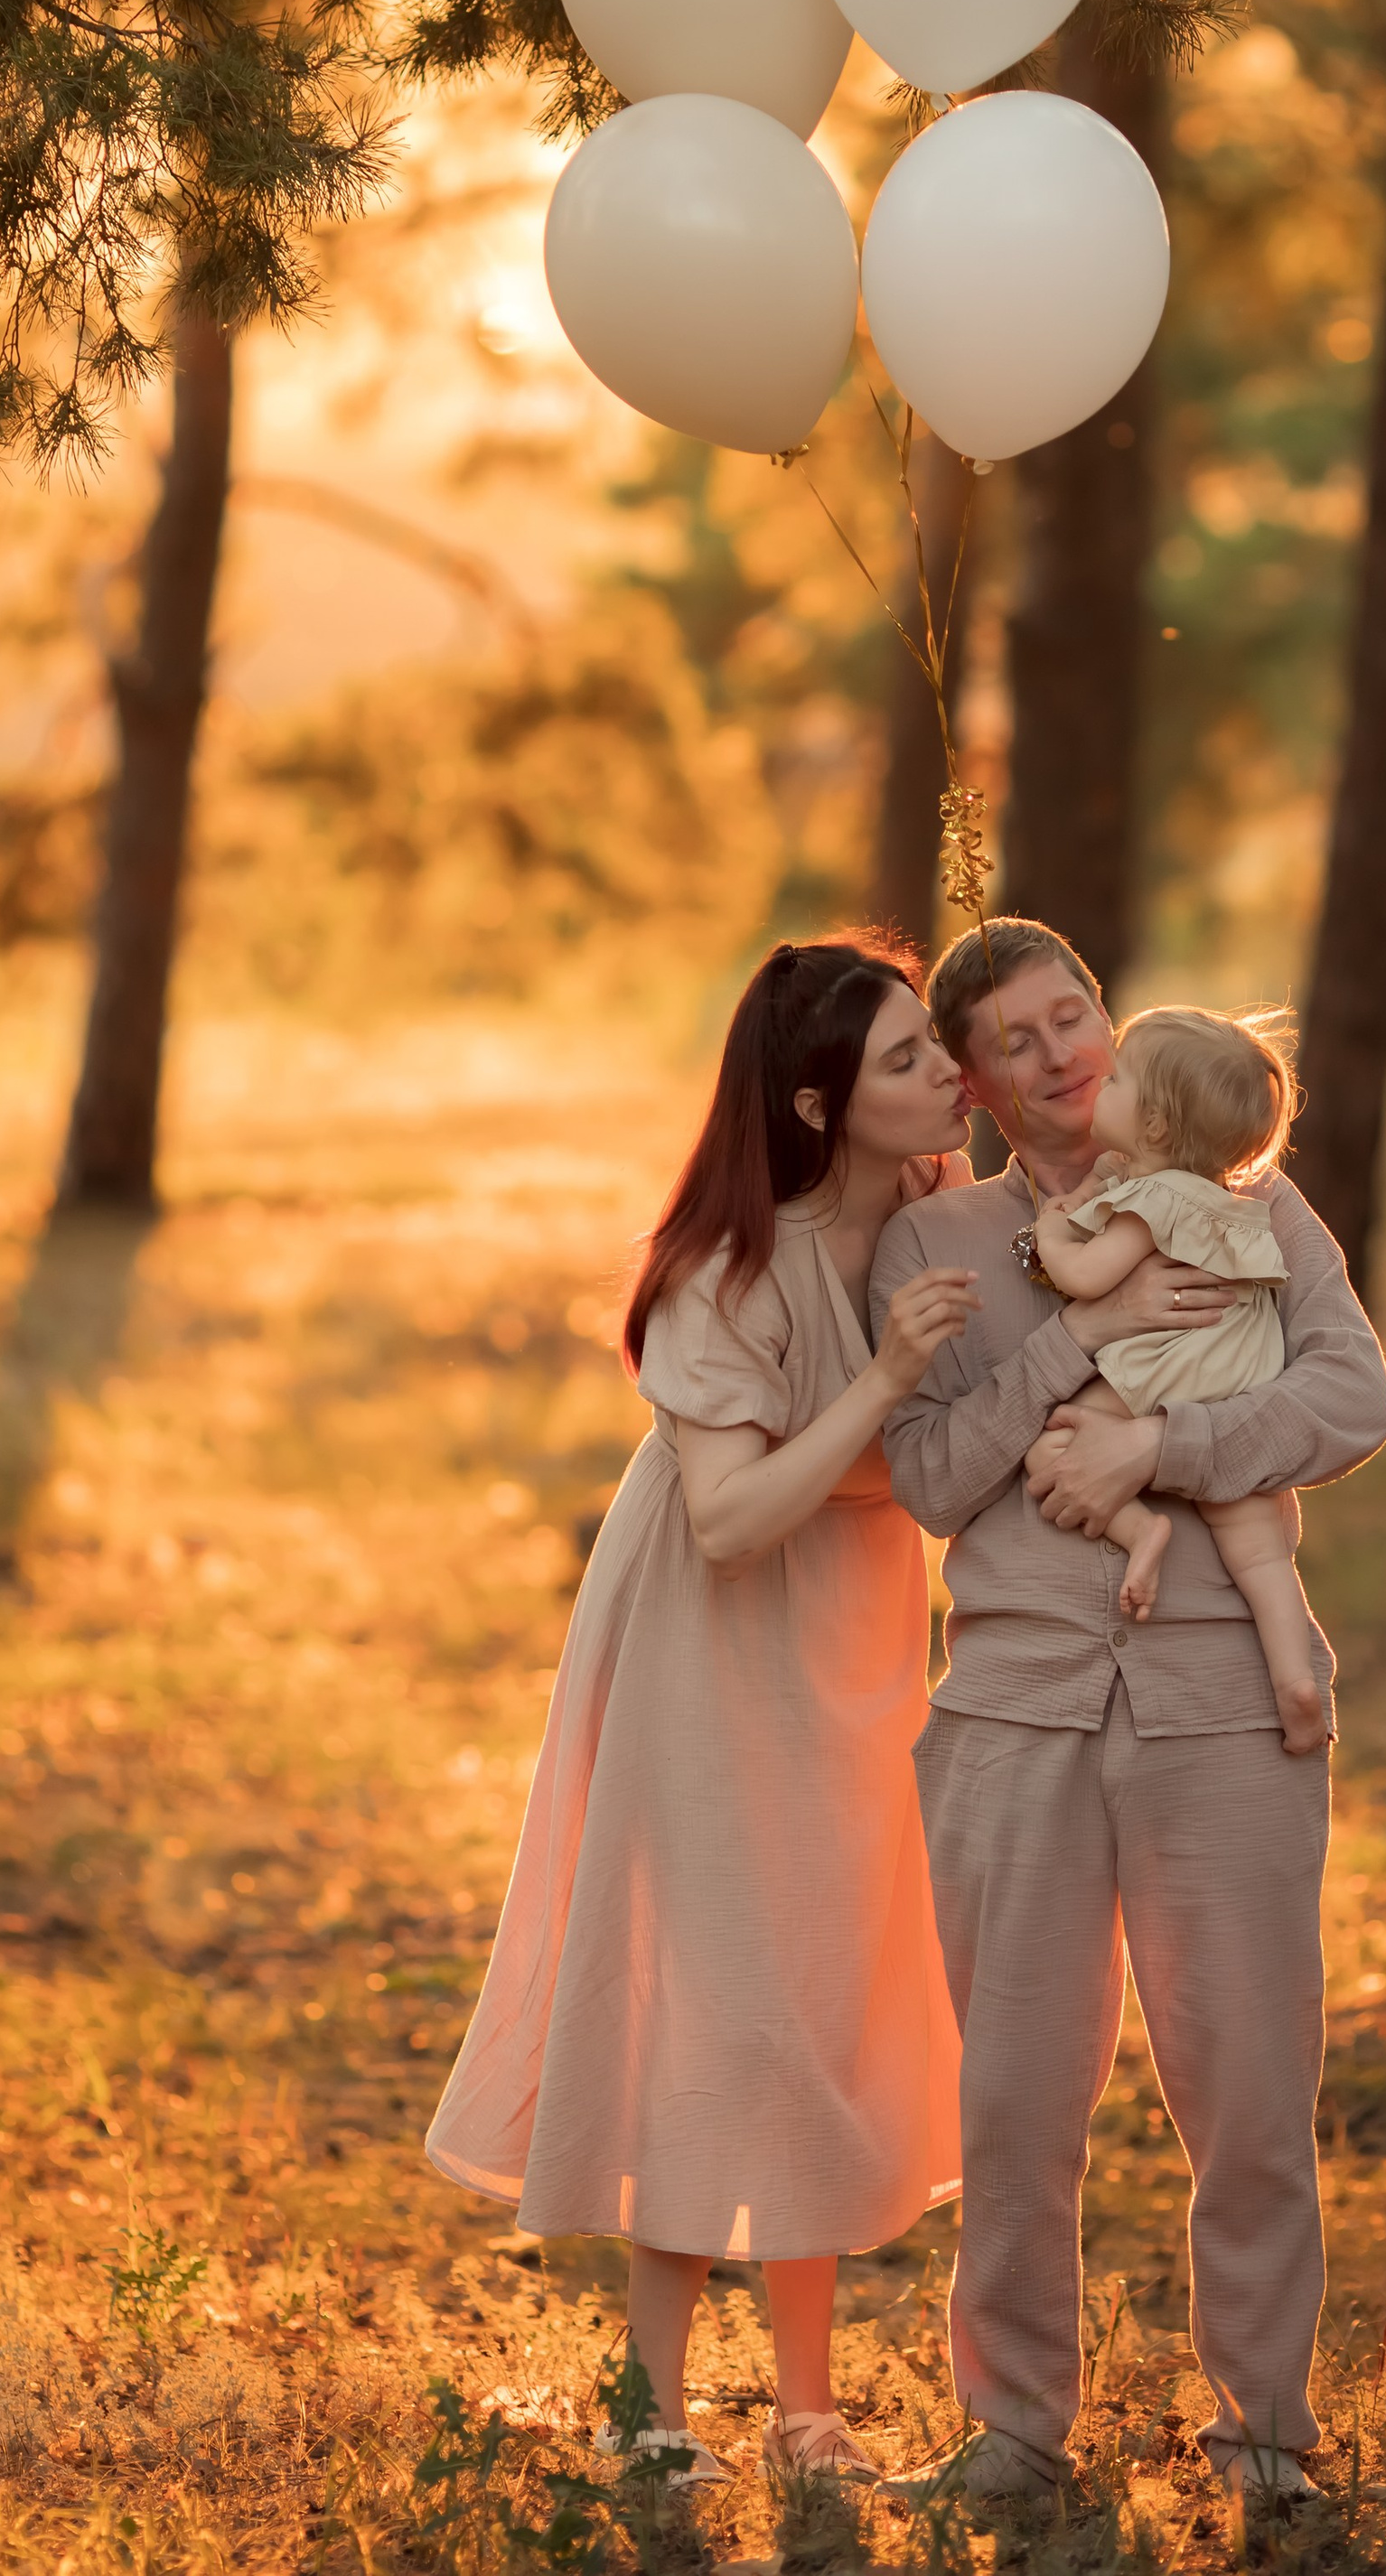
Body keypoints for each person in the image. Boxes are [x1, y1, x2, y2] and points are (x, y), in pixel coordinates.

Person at [426, 937, 978, 2488]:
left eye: (942, 1046)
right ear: (821, 1101)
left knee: (817, 2002)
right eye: (909, 1060)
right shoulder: (721, 1273)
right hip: (709, 1647)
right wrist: (882, 1380)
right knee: (711, 2005)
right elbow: (733, 1521)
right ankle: (658, 2412)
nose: (949, 1077)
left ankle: (807, 2411)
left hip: (859, 1645)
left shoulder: (944, 1220)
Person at [867, 918, 1386, 2522]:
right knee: (1015, 2105)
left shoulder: (1253, 1201)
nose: (1060, 1054)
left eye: (1071, 1013)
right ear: (973, 1083)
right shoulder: (937, 1246)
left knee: (1247, 2089)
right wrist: (1077, 1358)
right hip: (1014, 1710)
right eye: (1015, 1041)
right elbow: (933, 1475)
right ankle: (1017, 2431)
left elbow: (1350, 1399)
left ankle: (1266, 2441)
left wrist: (1152, 1445)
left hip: (1224, 1700)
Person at [1024, 1003, 1329, 1758]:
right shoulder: (1227, 1200)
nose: (1103, 1081)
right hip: (1242, 1371)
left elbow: (1088, 1276)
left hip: (1171, 1362)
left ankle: (1142, 1529)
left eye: (1118, 1077)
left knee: (1055, 1444)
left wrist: (1054, 1232)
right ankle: (1296, 1680)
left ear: (1155, 1126)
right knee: (1260, 1551)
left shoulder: (1148, 1200)